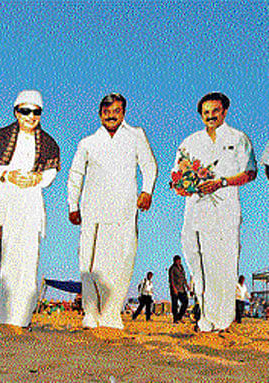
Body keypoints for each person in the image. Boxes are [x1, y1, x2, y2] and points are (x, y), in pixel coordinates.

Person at [67, 93, 158, 330]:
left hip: (125, 209)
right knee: (88, 262)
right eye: (106, 112)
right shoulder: (87, 142)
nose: (111, 115)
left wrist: (147, 191)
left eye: (116, 111)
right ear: (100, 114)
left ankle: (112, 313)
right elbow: (76, 174)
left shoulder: (136, 135)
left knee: (123, 259)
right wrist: (73, 205)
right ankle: (90, 312)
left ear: (123, 113)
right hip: (93, 210)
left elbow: (148, 165)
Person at [0, 90, 60, 329]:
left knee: (27, 258)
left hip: (30, 201)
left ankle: (18, 322)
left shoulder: (49, 143)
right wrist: (5, 174)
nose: (30, 116)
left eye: (36, 111)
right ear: (16, 111)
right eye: (25, 111)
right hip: (3, 197)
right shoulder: (0, 137)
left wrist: (37, 179)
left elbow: (51, 173)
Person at [171, 92, 257, 332]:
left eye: (215, 111)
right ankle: (205, 316)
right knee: (196, 260)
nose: (210, 116)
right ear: (201, 115)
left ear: (225, 111)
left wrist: (222, 182)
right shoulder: (190, 141)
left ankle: (223, 321)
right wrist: (181, 186)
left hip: (225, 207)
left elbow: (250, 172)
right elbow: (177, 174)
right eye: (205, 112)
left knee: (224, 262)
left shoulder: (238, 138)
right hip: (195, 208)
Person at [168, 255, 189, 323]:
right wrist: (174, 288)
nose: (179, 262)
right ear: (174, 261)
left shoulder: (182, 268)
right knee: (175, 304)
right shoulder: (172, 268)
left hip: (182, 288)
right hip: (175, 289)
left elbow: (184, 277)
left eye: (179, 260)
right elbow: (171, 280)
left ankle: (179, 316)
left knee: (185, 302)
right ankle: (175, 319)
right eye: (177, 260)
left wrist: (187, 285)